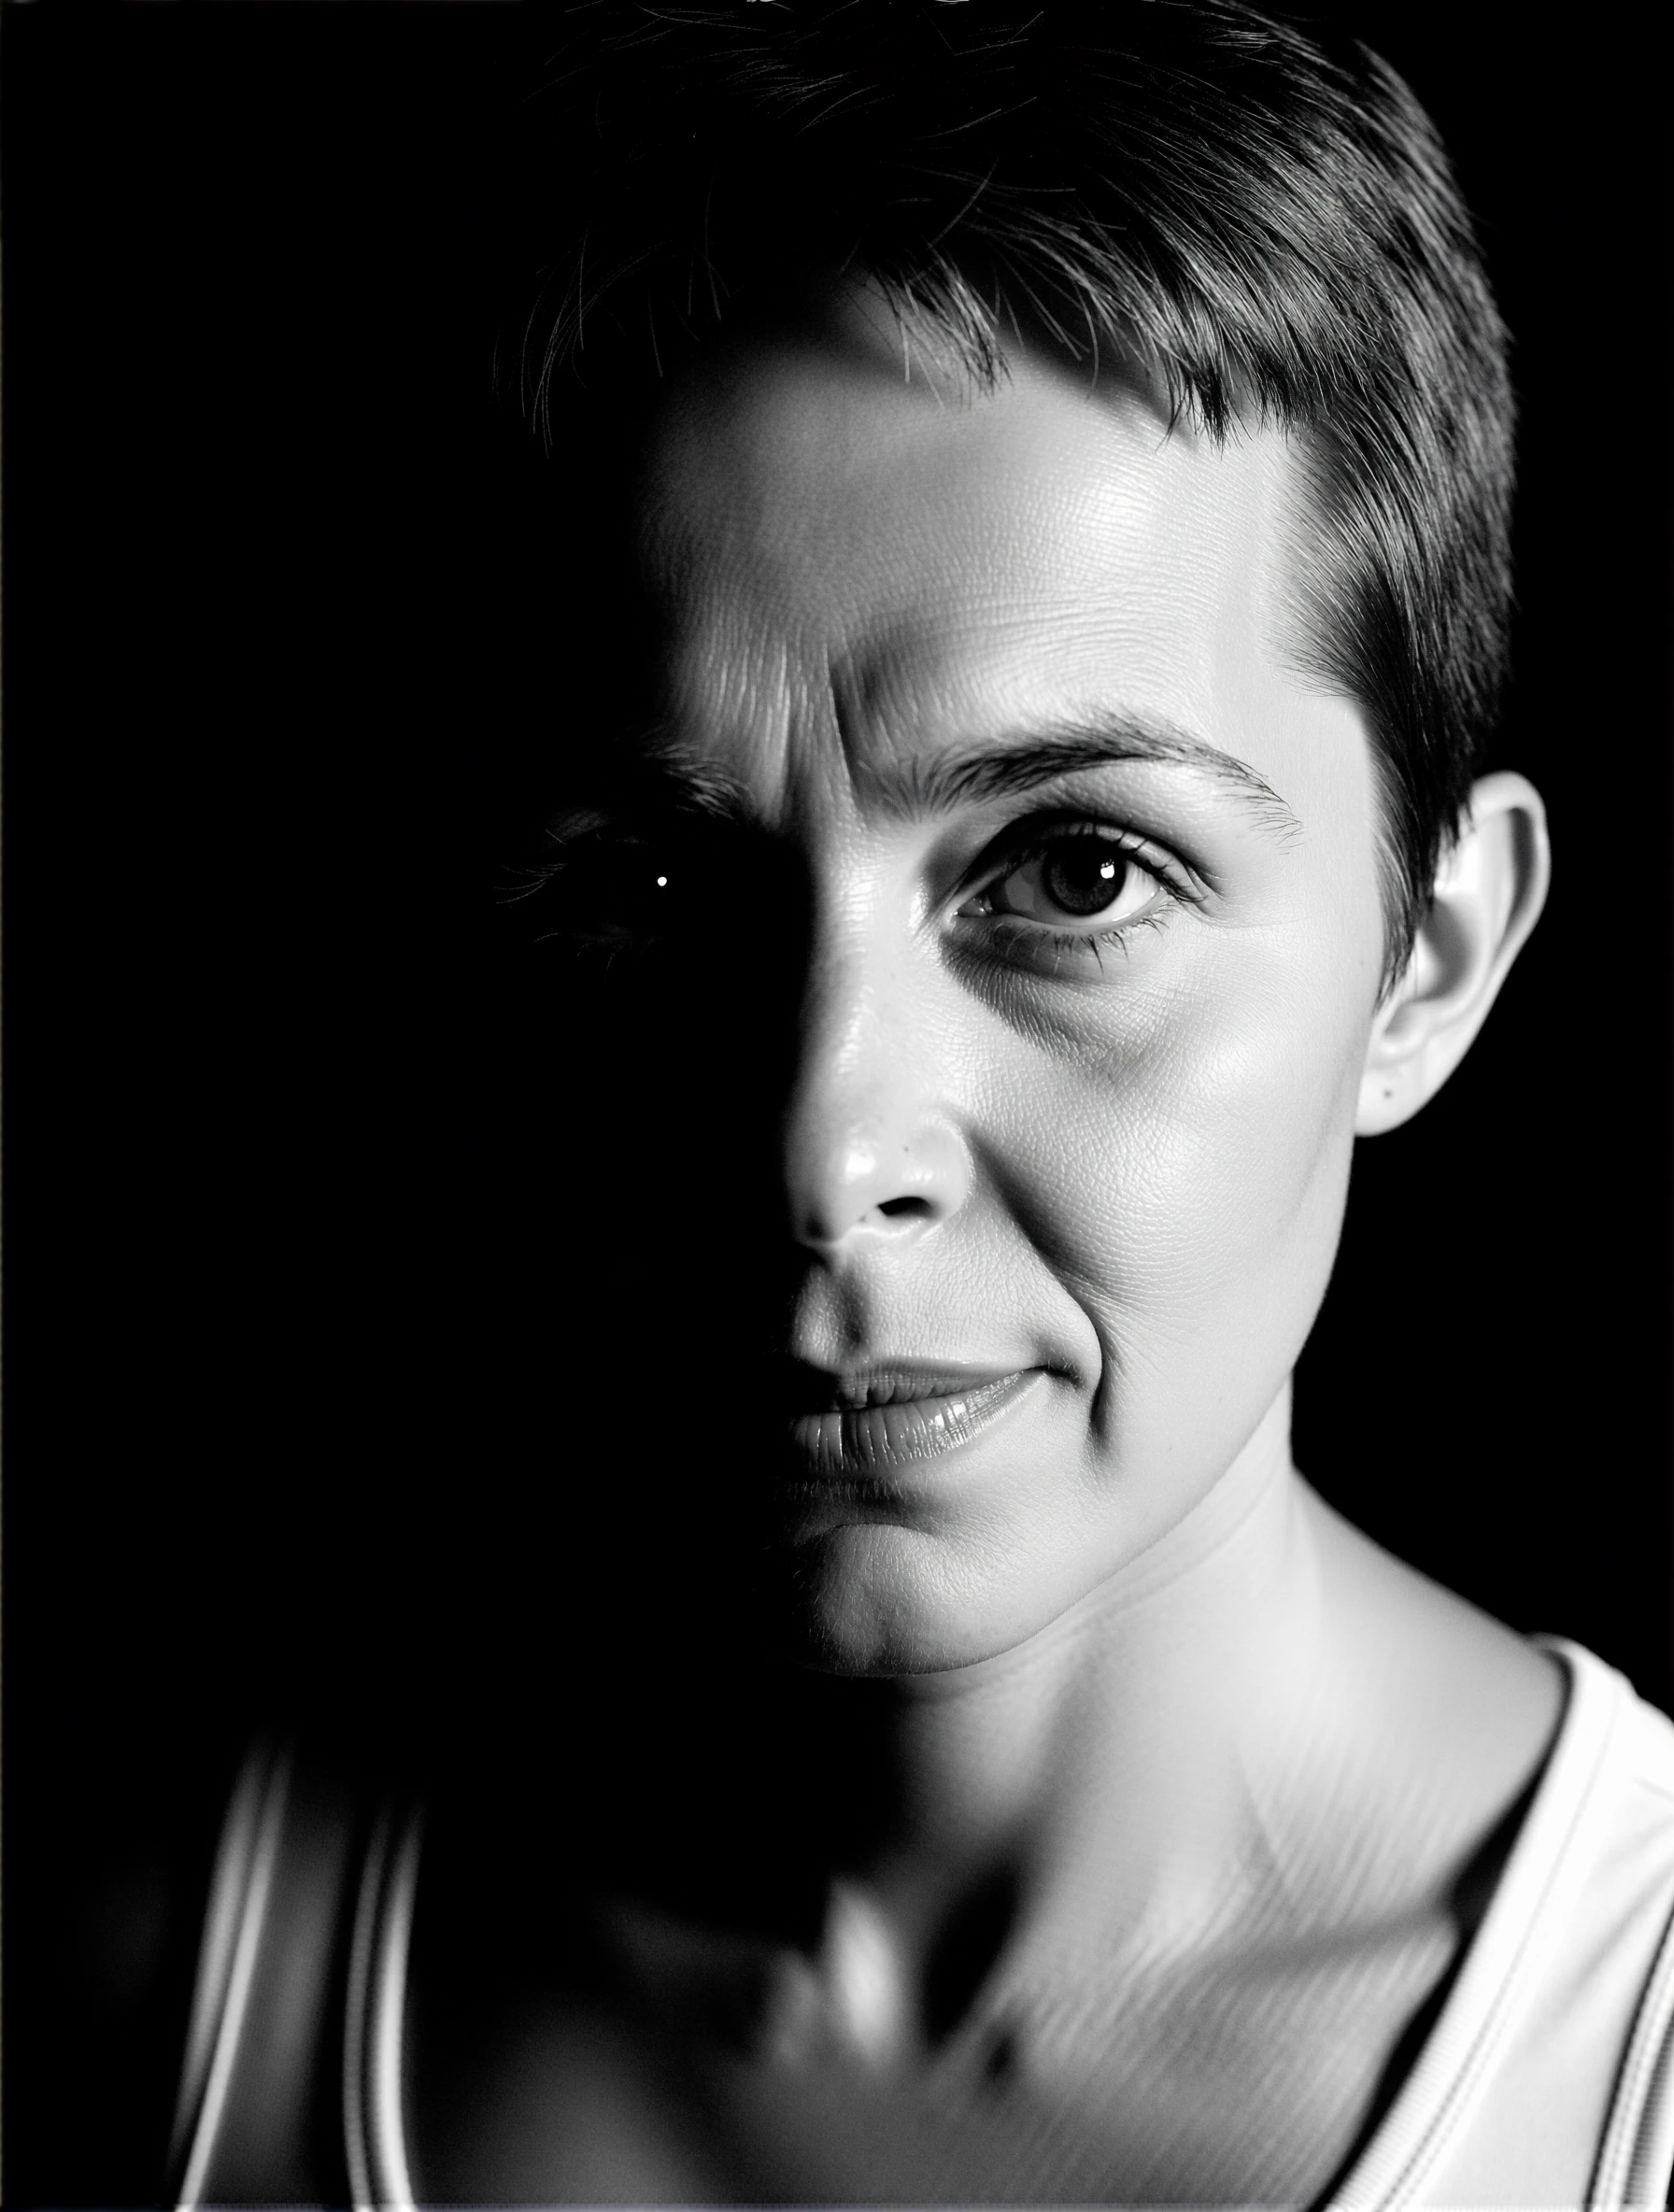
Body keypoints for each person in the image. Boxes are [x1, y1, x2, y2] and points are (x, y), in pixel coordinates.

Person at [151, 3, 1674, 2205]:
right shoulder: (154, 1953)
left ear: (1424, 957)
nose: (817, 1141)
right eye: (662, 881)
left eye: (1074, 872)